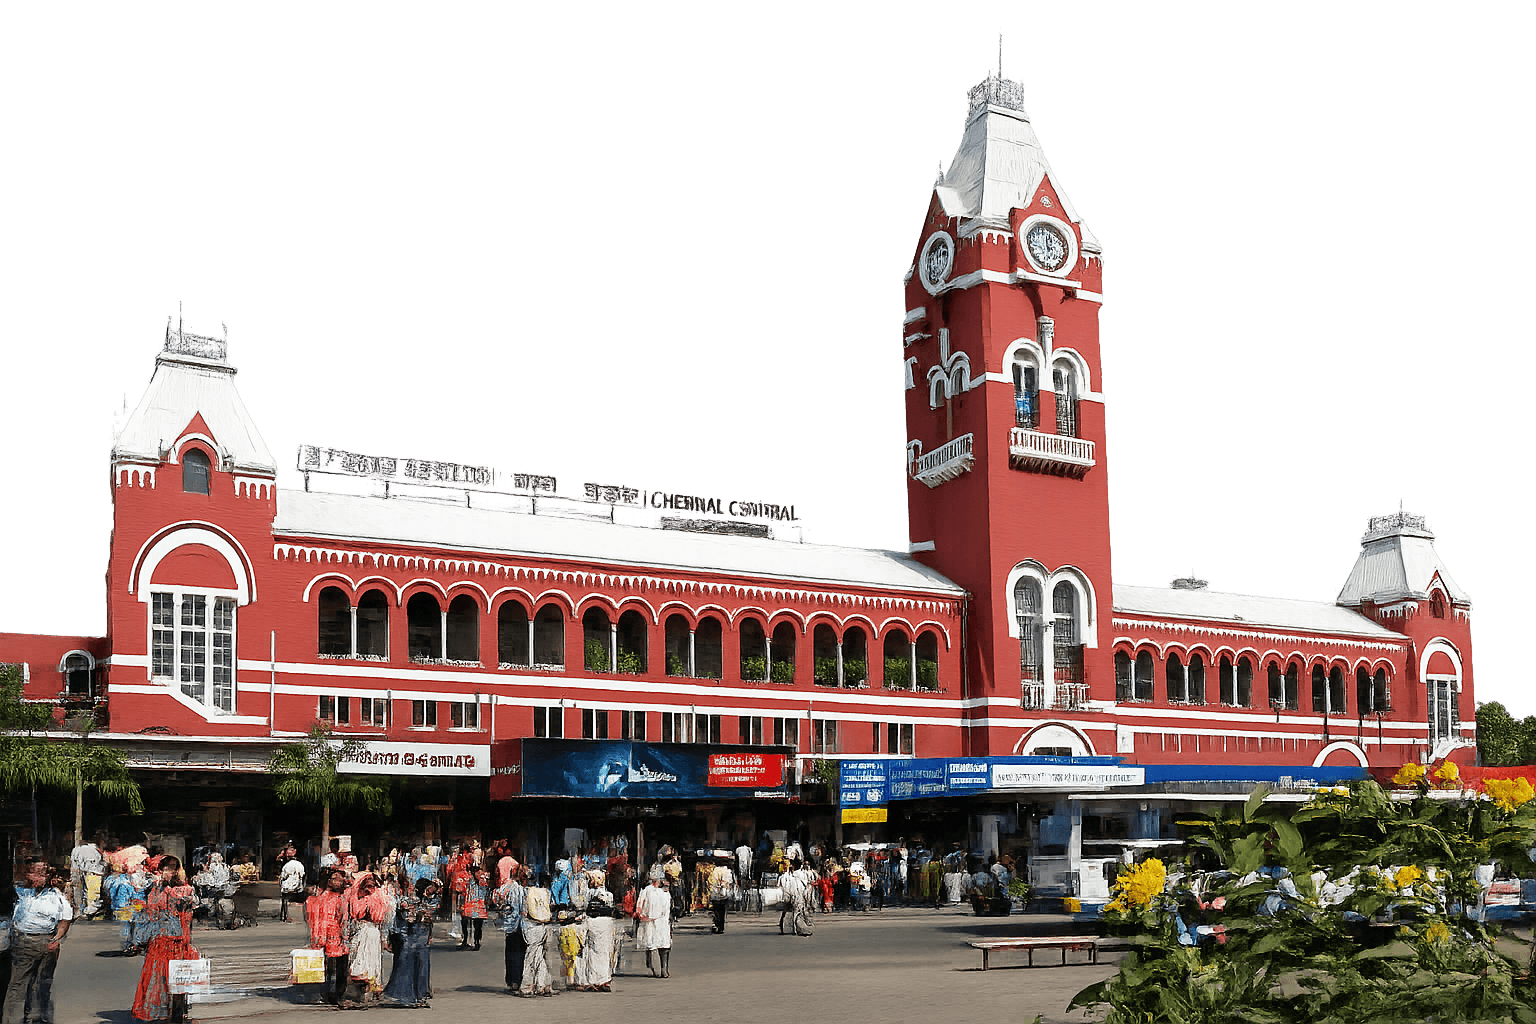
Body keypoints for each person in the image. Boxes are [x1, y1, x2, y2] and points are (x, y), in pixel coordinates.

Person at [4, 861, 72, 1024]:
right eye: (35, 874)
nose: (38, 878)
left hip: (46, 940)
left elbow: (65, 918)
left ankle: (35, 1018)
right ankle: (12, 1019)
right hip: (23, 939)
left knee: (41, 982)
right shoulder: (19, 892)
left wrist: (56, 939)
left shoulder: (56, 896)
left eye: (42, 875)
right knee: (18, 983)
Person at [131, 857, 197, 1022]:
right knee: (158, 980)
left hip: (177, 943)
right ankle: (161, 1014)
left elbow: (185, 902)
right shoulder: (154, 889)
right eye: (165, 868)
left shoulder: (184, 889)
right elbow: (145, 911)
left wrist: (166, 887)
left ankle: (177, 1015)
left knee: (177, 983)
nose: (169, 872)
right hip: (158, 941)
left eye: (173, 868)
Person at [383, 878, 437, 1008]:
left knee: (423, 967)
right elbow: (407, 919)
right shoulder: (407, 901)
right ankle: (407, 998)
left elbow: (429, 921)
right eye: (428, 889)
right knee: (408, 967)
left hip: (423, 938)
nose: (430, 892)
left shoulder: (428, 901)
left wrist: (430, 935)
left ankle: (420, 997)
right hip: (410, 938)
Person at [344, 872, 392, 1007]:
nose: (370, 885)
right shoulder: (354, 896)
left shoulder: (379, 897)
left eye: (372, 882)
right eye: (367, 881)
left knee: (372, 963)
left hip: (372, 933)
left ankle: (371, 993)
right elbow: (354, 914)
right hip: (359, 932)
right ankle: (360, 992)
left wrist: (385, 938)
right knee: (357, 962)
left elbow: (380, 917)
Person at [307, 868, 351, 1005]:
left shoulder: (320, 897)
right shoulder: (328, 898)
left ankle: (331, 994)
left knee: (332, 968)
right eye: (336, 879)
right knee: (333, 968)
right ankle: (333, 994)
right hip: (331, 938)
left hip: (329, 937)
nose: (340, 882)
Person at [489, 862, 525, 991]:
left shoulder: (505, 888)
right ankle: (516, 980)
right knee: (518, 954)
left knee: (510, 953)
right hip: (518, 925)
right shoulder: (517, 889)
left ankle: (511, 980)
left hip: (509, 926)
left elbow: (495, 900)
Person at [518, 873, 555, 997]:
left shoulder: (525, 892)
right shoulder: (545, 892)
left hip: (531, 927)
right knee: (540, 958)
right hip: (544, 926)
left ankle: (527, 988)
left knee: (531, 958)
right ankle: (543, 986)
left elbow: (522, 911)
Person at [634, 869, 672, 978]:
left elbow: (668, 906)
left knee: (664, 946)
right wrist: (642, 916)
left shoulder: (665, 891)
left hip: (662, 922)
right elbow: (639, 906)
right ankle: (655, 969)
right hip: (650, 922)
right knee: (652, 946)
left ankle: (664, 969)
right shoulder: (647, 890)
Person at [576, 889, 616, 991]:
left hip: (593, 946)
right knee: (605, 962)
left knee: (593, 963)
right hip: (606, 945)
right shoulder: (609, 921)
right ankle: (604, 981)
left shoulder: (590, 921)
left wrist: (581, 944)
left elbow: (582, 934)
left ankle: (595, 982)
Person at [70, 838, 106, 920]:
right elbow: (101, 862)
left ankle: (82, 911)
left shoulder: (76, 849)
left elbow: (73, 862)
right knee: (92, 893)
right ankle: (89, 911)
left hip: (80, 872)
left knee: (83, 893)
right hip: (93, 873)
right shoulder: (95, 850)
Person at [455, 867, 489, 950]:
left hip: (479, 906)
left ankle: (476, 942)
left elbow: (487, 892)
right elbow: (460, 890)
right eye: (477, 873)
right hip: (468, 905)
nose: (479, 875)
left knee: (477, 926)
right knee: (465, 924)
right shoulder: (467, 880)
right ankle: (465, 941)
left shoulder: (483, 881)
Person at [707, 857, 736, 934]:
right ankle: (721, 927)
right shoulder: (728, 871)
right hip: (724, 893)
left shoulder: (715, 870)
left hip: (715, 893)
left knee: (716, 910)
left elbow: (711, 881)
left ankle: (716, 924)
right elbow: (730, 882)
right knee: (722, 910)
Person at [279, 846, 305, 923]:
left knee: (284, 899)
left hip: (287, 888)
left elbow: (283, 877)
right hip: (298, 887)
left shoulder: (286, 866)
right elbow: (303, 875)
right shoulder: (300, 865)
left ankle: (284, 916)